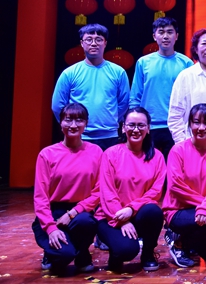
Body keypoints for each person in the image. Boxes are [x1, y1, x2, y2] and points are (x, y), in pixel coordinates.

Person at [32, 103, 101, 274]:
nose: (73, 125)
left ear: (86, 123)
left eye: (79, 120)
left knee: (85, 222)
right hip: (54, 212)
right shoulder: (47, 154)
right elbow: (40, 197)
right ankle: (51, 253)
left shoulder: (96, 152)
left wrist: (73, 212)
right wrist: (51, 228)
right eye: (68, 120)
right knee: (63, 256)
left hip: (81, 212)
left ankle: (83, 253)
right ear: (60, 122)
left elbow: (99, 191)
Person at [96, 107, 166, 272]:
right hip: (111, 216)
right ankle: (116, 253)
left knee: (154, 211)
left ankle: (148, 254)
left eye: (141, 125)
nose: (136, 130)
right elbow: (107, 193)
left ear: (148, 128)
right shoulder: (110, 154)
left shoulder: (157, 157)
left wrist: (131, 209)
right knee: (126, 250)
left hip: (138, 214)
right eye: (131, 125)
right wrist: (122, 220)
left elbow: (155, 192)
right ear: (123, 127)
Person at [163, 103, 206, 268]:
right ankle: (177, 241)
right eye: (196, 122)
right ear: (189, 124)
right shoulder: (177, 150)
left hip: (204, 211)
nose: (201, 128)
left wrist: (204, 207)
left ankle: (189, 242)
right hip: (178, 211)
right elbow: (176, 186)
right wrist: (204, 205)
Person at [51, 23, 130, 150]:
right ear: (82, 43)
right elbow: (58, 105)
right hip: (79, 135)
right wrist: (72, 125)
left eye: (98, 39)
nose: (94, 43)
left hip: (109, 136)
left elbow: (124, 103)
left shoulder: (118, 72)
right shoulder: (69, 73)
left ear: (105, 43)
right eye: (89, 39)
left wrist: (110, 119)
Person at [129, 17, 193, 159]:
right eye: (161, 32)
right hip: (148, 125)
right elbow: (135, 96)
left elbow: (190, 97)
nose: (165, 36)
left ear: (176, 36)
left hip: (177, 126)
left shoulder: (186, 63)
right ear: (154, 36)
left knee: (174, 166)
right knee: (148, 165)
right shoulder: (143, 62)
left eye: (170, 32)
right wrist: (136, 123)